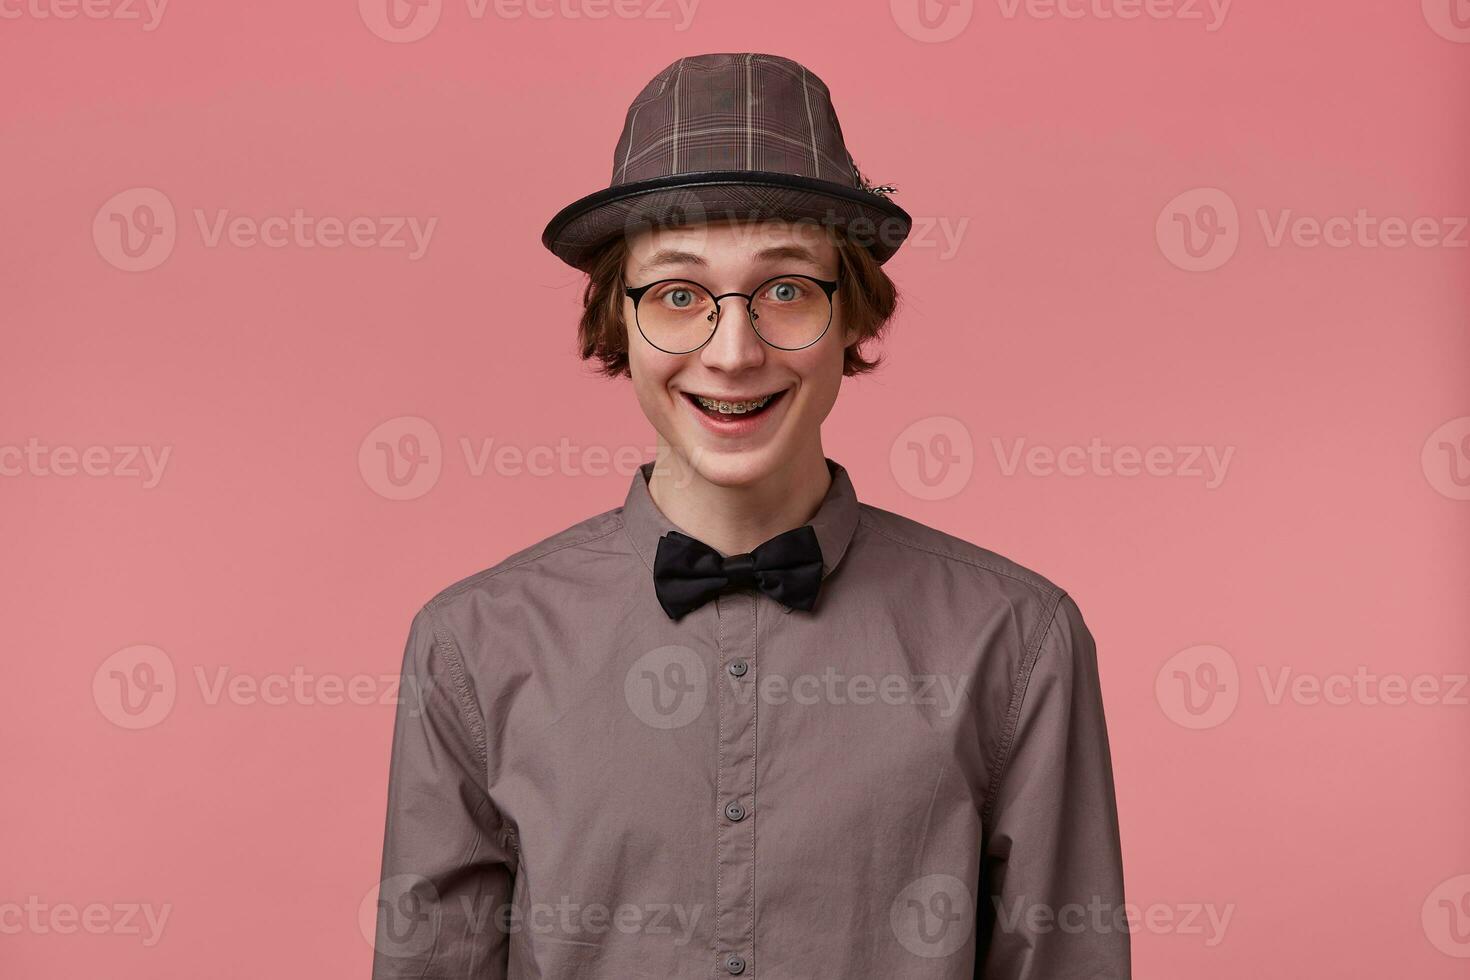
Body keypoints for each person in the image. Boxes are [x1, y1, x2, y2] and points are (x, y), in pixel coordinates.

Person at [370, 52, 1129, 980]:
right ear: (616, 321)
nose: (733, 353)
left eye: (785, 290)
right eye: (679, 295)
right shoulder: (470, 647)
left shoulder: (1017, 643)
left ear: (855, 317)